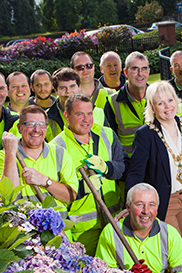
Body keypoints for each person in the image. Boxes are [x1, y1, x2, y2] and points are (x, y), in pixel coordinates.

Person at [126, 81, 182, 247]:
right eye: (160, 103)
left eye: (170, 100)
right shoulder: (145, 134)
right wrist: (131, 203)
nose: (167, 106)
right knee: (174, 246)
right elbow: (136, 173)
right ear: (152, 107)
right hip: (165, 201)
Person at [51, 94, 127, 255]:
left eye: (89, 113)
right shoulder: (56, 147)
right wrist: (82, 188)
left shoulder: (107, 135)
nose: (86, 119)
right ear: (67, 116)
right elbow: (57, 196)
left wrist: (107, 168)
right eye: (80, 114)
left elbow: (124, 168)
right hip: (82, 232)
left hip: (115, 223)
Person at [0, 105, 77, 212]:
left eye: (42, 124)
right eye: (30, 124)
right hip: (23, 226)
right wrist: (10, 153)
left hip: (58, 226)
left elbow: (70, 197)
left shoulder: (60, 153)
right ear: (19, 128)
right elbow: (9, 197)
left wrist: (45, 181)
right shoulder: (3, 157)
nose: (36, 129)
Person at [104, 51, 150, 156]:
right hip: (129, 163)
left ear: (148, 71)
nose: (140, 73)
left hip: (157, 161)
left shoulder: (158, 96)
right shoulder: (112, 102)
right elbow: (110, 141)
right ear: (125, 72)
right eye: (134, 69)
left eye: (144, 69)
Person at [46, 68, 107, 141]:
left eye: (72, 86)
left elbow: (111, 143)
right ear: (56, 91)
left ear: (79, 87)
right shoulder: (45, 119)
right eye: (63, 88)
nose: (68, 91)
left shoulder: (99, 113)